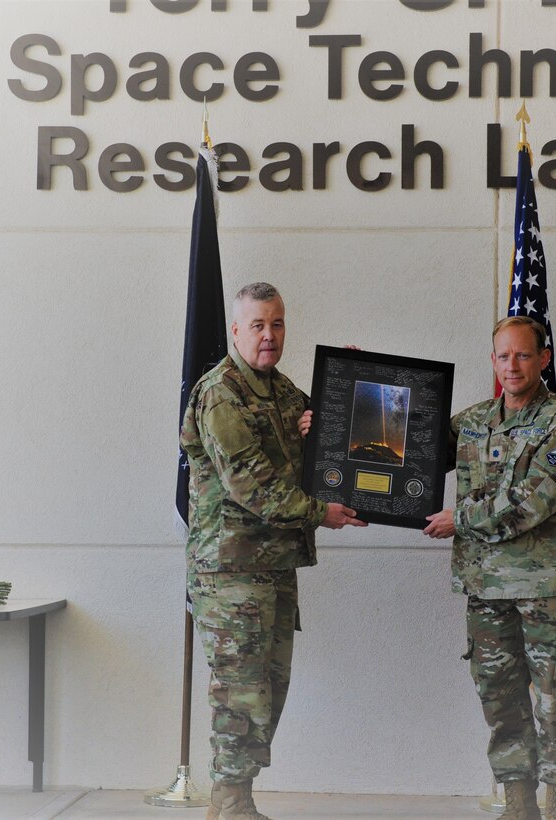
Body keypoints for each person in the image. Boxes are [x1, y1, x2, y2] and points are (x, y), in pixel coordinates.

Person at [180, 282, 365, 820]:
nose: (269, 335)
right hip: (230, 570)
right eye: (258, 325)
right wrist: (319, 514)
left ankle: (239, 801)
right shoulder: (221, 394)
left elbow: (333, 438)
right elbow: (252, 486)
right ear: (236, 330)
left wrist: (347, 387)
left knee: (268, 690)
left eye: (277, 324)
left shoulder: (282, 392)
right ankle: (230, 804)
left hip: (275, 565)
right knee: (240, 695)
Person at [424, 316, 556, 820]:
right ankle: (519, 808)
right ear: (493, 361)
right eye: (503, 356)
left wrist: (463, 518)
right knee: (501, 704)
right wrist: (345, 392)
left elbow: (535, 500)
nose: (512, 366)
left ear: (544, 359)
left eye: (523, 355)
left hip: (549, 591)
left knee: (555, 705)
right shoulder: (474, 421)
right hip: (488, 590)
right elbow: (412, 447)